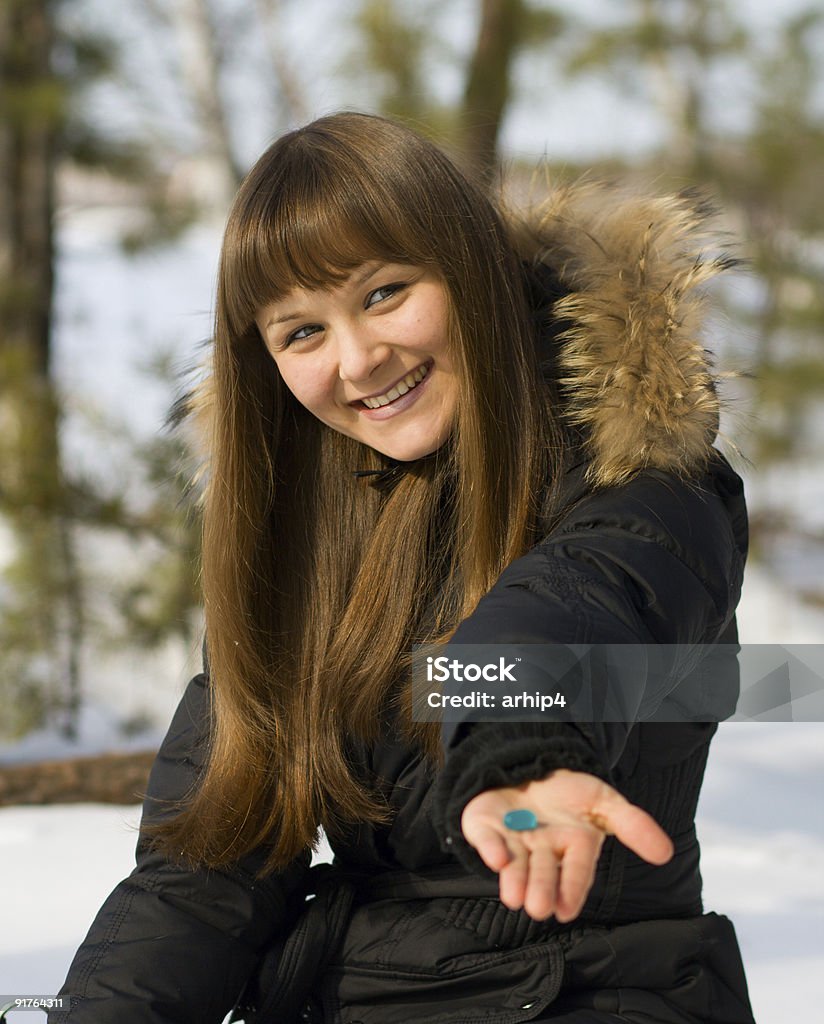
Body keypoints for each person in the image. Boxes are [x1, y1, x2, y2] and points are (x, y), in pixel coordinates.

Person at [52, 112, 755, 1024]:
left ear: (470, 272)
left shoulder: (643, 481)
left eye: (384, 293)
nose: (358, 359)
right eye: (301, 333)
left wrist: (520, 756)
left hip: (590, 989)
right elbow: (204, 876)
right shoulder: (317, 530)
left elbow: (569, 607)